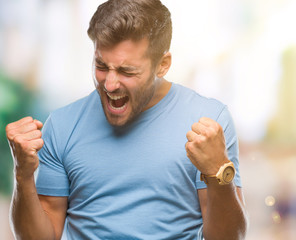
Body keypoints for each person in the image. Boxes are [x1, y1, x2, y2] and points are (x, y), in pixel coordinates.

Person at [5, 0, 248, 239]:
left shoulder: (209, 122)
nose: (110, 84)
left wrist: (219, 172)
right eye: (101, 65)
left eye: (126, 71)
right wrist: (22, 175)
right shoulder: (61, 126)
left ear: (162, 65)